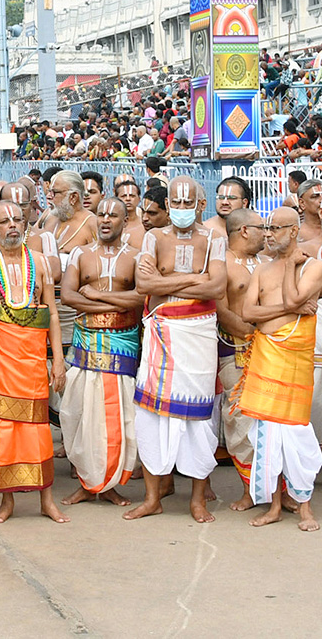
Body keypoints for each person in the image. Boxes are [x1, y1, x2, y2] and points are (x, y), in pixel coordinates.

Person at [0, 200, 68, 524]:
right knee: (3, 430)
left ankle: (46, 500)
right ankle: (7, 502)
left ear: (27, 224)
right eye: (5, 221)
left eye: (18, 220)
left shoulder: (41, 263)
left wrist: (57, 361)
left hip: (32, 362)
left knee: (38, 430)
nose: (13, 226)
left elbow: (52, 314)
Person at [127, 176, 226, 523]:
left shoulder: (215, 238)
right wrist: (193, 280)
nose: (182, 210)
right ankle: (152, 498)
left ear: (201, 205)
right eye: (176, 203)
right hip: (161, 335)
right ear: (168, 205)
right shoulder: (153, 238)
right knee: (151, 417)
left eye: (189, 203)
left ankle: (197, 501)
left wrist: (169, 284)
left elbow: (216, 285)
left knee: (198, 419)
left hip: (197, 336)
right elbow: (144, 285)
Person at [238, 206, 322, 530]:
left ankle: (304, 508)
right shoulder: (261, 269)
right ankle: (274, 506)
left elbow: (295, 296)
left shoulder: (313, 266)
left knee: (297, 432)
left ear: (294, 230)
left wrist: (291, 269)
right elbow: (248, 311)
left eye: (276, 228)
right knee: (267, 435)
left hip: (295, 359)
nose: (269, 234)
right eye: (267, 228)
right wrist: (290, 309)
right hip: (266, 359)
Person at [58, 199, 143, 506]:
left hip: (123, 343)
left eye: (113, 215)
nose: (106, 220)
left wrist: (94, 295)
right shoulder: (80, 254)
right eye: (101, 215)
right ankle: (87, 482)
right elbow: (68, 296)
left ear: (125, 220)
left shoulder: (136, 255)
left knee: (119, 416)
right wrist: (110, 302)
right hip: (86, 343)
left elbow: (140, 297)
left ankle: (108, 484)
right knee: (80, 414)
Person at [217, 208, 265, 508]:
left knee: (269, 422)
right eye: (262, 227)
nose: (267, 232)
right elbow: (221, 310)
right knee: (239, 421)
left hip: (271, 352)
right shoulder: (222, 264)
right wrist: (251, 334)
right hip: (235, 350)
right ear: (244, 230)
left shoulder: (267, 262)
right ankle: (251, 489)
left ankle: (277, 489)